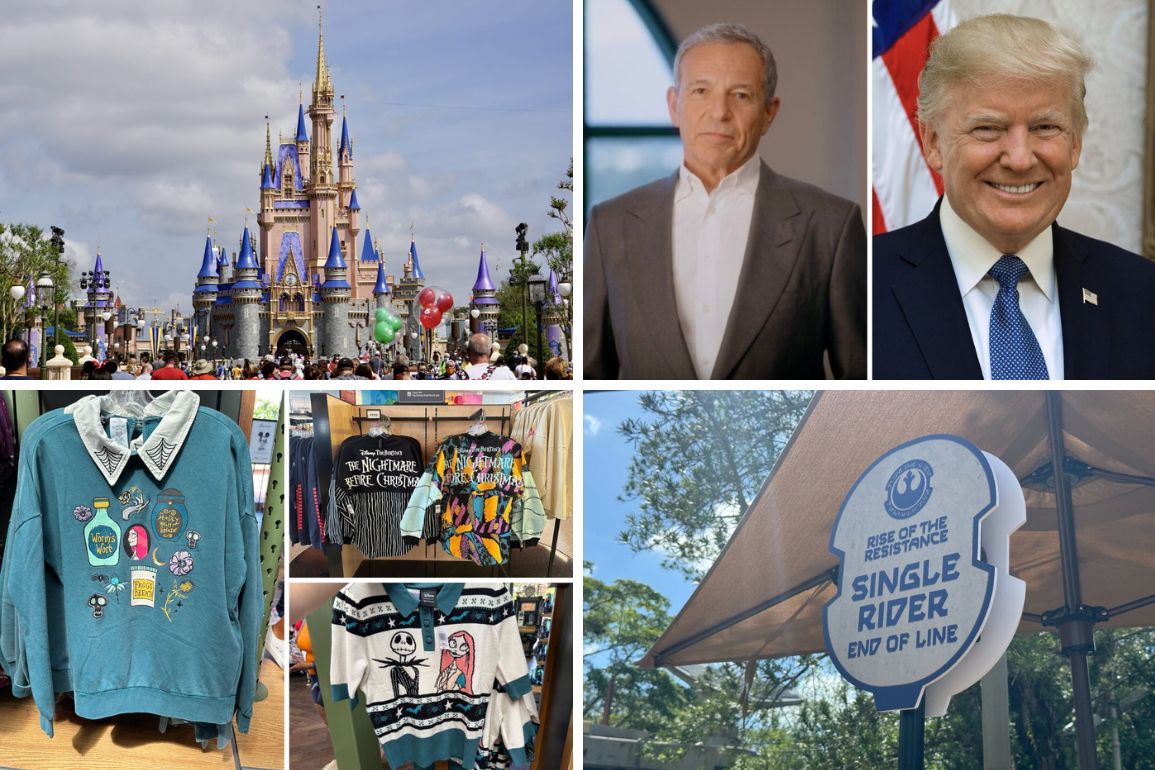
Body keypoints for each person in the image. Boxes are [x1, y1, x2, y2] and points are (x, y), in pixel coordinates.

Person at [874, 14, 1155, 380]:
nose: (1020, 159)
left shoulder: (1142, 293)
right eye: (988, 129)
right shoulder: (864, 284)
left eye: (1045, 127)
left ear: (1075, 144)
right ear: (933, 143)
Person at [584, 22, 866, 380]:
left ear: (769, 113)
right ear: (674, 104)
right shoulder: (611, 225)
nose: (719, 111)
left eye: (741, 95)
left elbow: (860, 376)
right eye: (701, 90)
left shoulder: (830, 225)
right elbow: (591, 380)